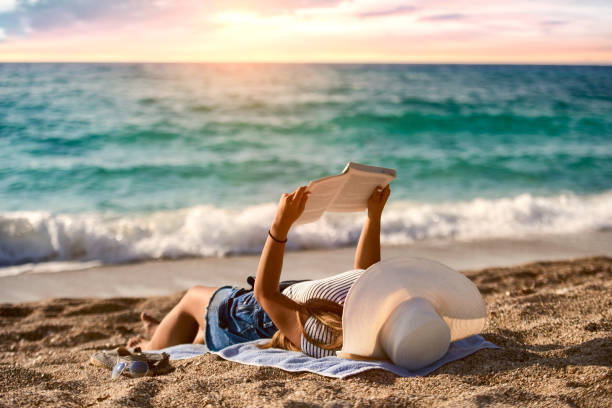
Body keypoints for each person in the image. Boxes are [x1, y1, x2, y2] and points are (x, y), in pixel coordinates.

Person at [127, 184, 391, 357]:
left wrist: (280, 226)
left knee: (193, 298)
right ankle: (172, 331)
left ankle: (148, 345)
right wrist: (373, 215)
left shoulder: (324, 335)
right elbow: (365, 273)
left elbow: (265, 293)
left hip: (252, 317)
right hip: (267, 315)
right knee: (200, 327)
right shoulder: (373, 326)